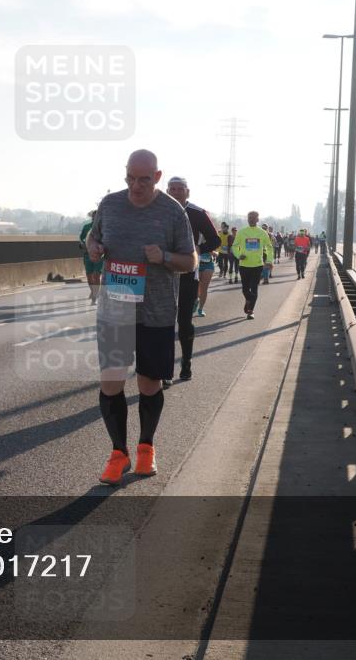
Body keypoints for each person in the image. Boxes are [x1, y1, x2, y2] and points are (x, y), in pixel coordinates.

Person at [87, 149, 196, 484]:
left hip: (156, 311)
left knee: (149, 383)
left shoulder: (173, 212)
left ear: (158, 177)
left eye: (144, 179)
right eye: (130, 178)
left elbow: (190, 261)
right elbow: (94, 236)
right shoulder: (110, 204)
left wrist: (163, 256)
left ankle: (146, 447)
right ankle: (118, 453)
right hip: (115, 309)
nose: (136, 186)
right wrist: (94, 247)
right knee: (111, 382)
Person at [166, 176, 220, 381]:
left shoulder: (197, 213)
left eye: (180, 189)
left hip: (188, 273)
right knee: (163, 322)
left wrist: (199, 248)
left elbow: (215, 240)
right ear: (167, 191)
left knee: (184, 321)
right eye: (172, 188)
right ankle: (165, 369)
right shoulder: (158, 209)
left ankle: (186, 362)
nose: (176, 191)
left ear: (188, 192)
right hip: (162, 274)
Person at [232, 210, 273, 320]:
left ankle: (250, 311)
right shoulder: (241, 232)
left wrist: (269, 261)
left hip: (257, 265)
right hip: (244, 265)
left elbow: (269, 247)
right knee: (245, 289)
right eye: (249, 217)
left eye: (253, 218)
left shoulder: (262, 233)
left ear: (257, 220)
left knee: (254, 288)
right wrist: (239, 255)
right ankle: (249, 300)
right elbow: (234, 246)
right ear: (247, 219)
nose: (251, 219)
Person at [79, 210, 102, 305]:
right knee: (89, 276)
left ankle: (94, 297)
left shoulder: (103, 227)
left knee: (96, 275)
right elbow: (81, 239)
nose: (94, 218)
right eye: (93, 216)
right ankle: (93, 291)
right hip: (87, 255)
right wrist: (82, 244)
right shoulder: (86, 227)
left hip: (99, 256)